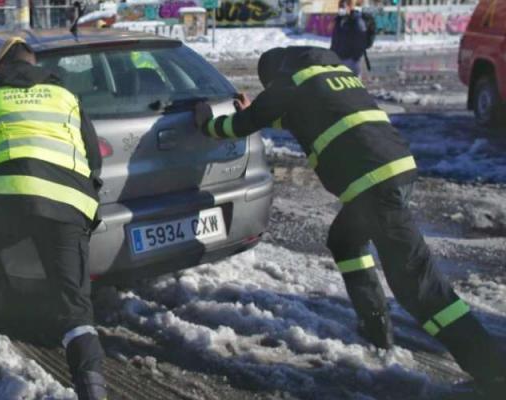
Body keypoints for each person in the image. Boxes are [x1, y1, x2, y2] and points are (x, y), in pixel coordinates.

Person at [193, 46, 506, 397]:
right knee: (345, 240)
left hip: (372, 187)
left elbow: (240, 124)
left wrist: (207, 122)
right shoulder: (332, 73)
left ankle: (492, 369)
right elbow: (301, 115)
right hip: (397, 170)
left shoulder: (289, 83)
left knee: (418, 286)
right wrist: (263, 109)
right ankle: (375, 329)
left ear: (275, 74)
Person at [0, 37, 107, 400]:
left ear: (1, 67)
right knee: (74, 307)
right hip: (69, 204)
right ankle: (93, 392)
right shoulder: (66, 95)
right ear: (34, 63)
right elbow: (93, 155)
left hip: (11, 203)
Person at [330, 0, 376, 75]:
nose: (341, 9)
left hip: (351, 60)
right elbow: (335, 39)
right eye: (340, 7)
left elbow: (360, 38)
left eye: (343, 7)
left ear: (349, 7)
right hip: (338, 58)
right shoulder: (339, 19)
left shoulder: (356, 20)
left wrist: (355, 57)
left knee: (353, 83)